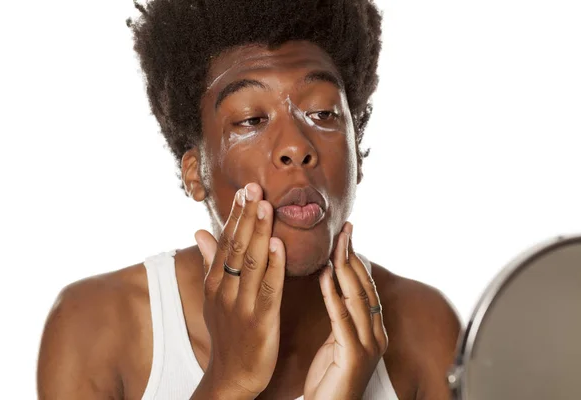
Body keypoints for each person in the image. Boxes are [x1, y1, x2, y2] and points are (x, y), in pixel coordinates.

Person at [37, 0, 461, 398]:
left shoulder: (424, 329)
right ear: (195, 172)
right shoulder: (94, 327)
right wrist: (228, 381)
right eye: (251, 120)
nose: (296, 146)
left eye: (323, 114)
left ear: (356, 150)